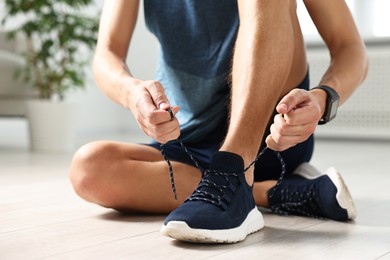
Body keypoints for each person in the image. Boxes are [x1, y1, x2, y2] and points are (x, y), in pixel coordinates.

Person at [69, 0, 368, 243]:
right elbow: (106, 54)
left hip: (269, 130)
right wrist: (132, 93)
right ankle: (267, 192)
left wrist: (323, 98)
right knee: (89, 169)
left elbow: (349, 46)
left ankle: (235, 167)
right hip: (191, 141)